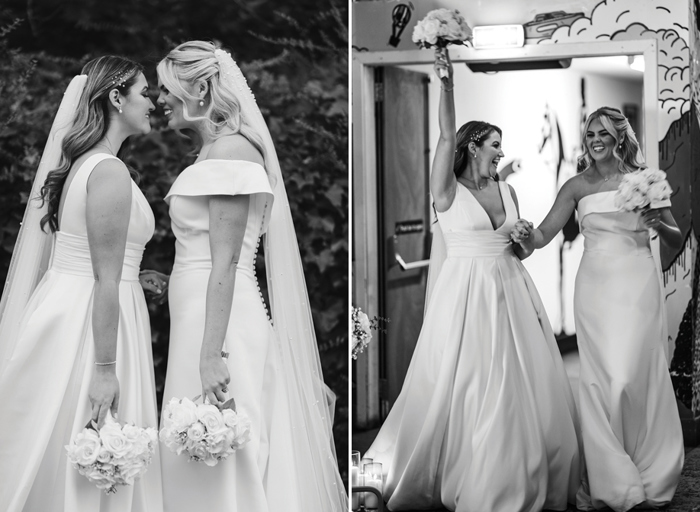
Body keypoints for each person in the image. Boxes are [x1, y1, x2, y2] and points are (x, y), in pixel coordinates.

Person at [363, 48, 582, 512]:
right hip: (464, 295)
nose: (502, 151)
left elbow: (521, 247)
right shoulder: (446, 192)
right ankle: (463, 468)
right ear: (472, 147)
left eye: (501, 144)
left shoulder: (509, 189)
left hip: (512, 290)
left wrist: (523, 236)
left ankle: (515, 470)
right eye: (494, 144)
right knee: (467, 381)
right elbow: (444, 133)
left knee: (519, 382)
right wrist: (446, 82)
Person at [155, 40, 347, 511]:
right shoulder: (212, 151)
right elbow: (205, 252)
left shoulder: (233, 150)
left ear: (199, 86)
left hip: (218, 324)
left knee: (224, 438)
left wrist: (210, 352)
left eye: (164, 88)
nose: (159, 100)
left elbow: (225, 261)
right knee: (199, 441)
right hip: (202, 312)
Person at [0, 56, 164, 512]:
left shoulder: (86, 164)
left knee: (50, 439)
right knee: (84, 433)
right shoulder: (109, 171)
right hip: (92, 322)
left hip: (74, 303)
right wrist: (106, 370)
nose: (152, 102)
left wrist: (138, 275)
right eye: (144, 92)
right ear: (116, 98)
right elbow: (104, 276)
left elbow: (96, 258)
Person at [525, 106, 684, 511]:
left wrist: (654, 220)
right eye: (591, 132)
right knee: (602, 381)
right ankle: (612, 477)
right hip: (594, 290)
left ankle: (650, 467)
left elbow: (674, 236)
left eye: (604, 133)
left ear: (619, 139)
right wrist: (520, 235)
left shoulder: (645, 180)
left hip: (637, 285)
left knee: (632, 375)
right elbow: (543, 234)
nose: (595, 139)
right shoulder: (576, 186)